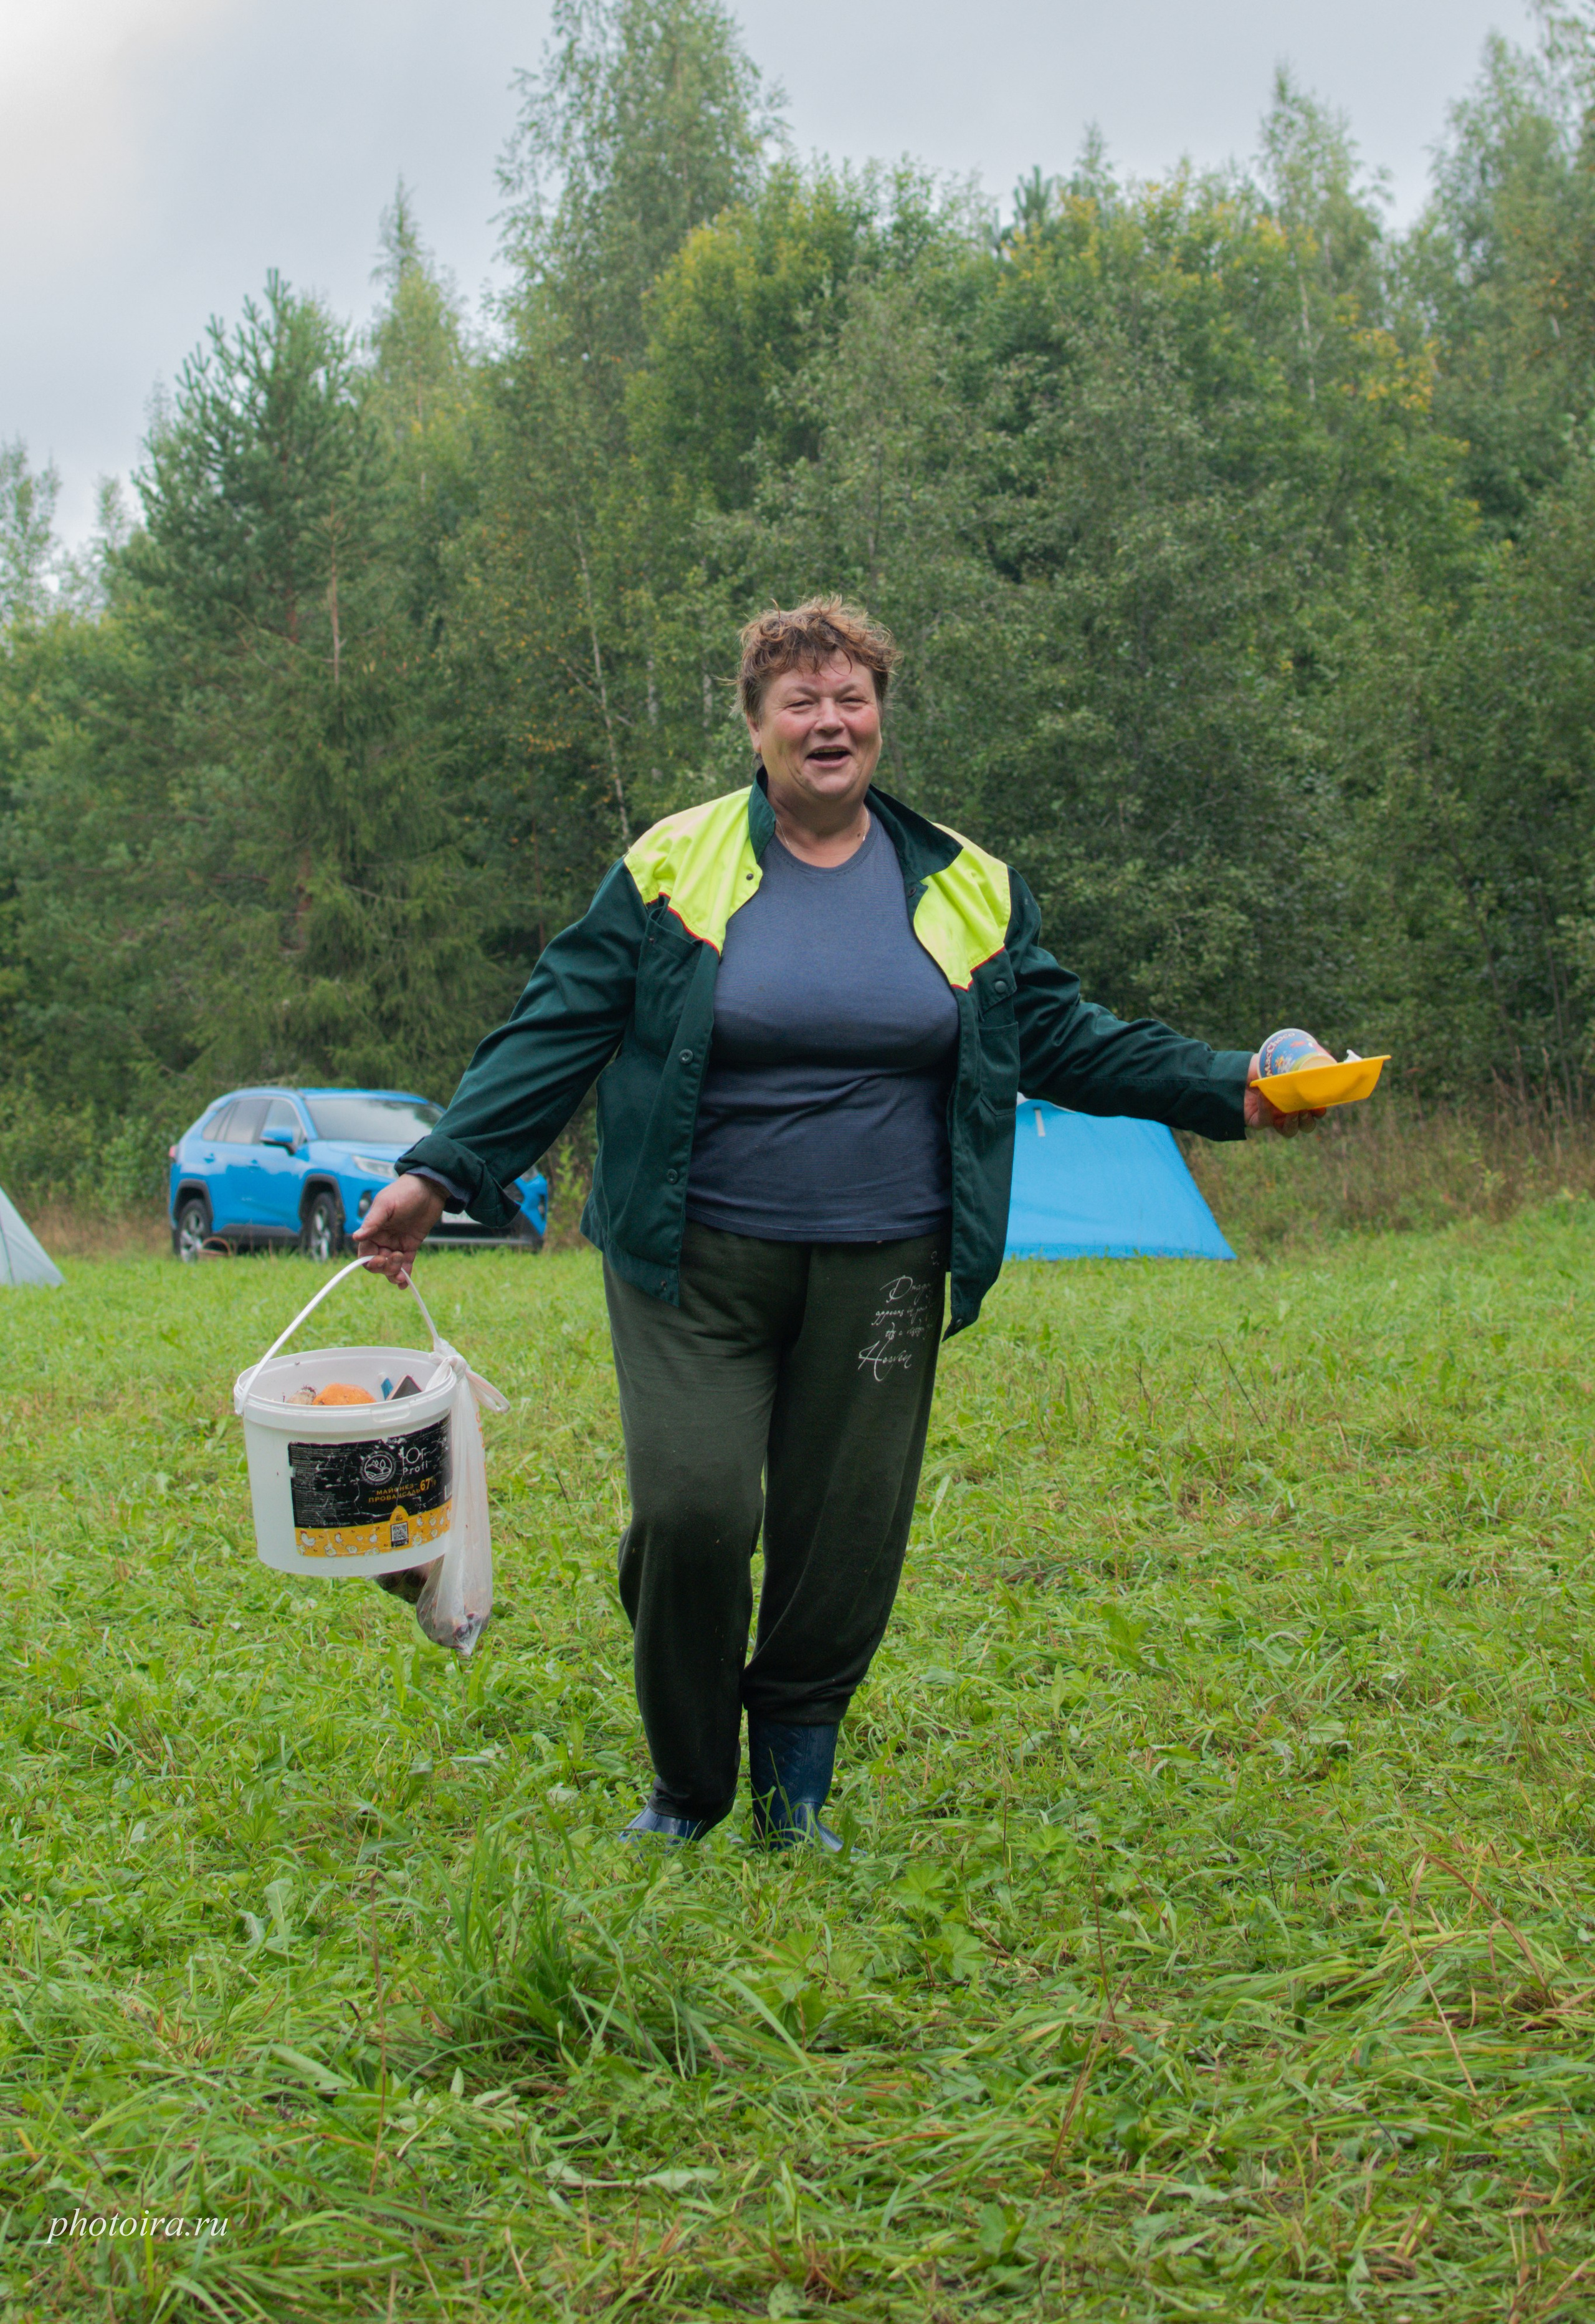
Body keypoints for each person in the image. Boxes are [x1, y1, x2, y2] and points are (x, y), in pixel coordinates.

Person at [354, 598, 1320, 1849]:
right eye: (800, 700)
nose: (830, 720)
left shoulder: (966, 885)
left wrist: (1229, 1088)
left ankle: (793, 1795)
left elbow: (1065, 1035)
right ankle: (689, 1786)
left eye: (852, 698)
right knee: (693, 1510)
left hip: (888, 1264)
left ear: (880, 721)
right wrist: (439, 1170)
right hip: (692, 1263)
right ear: (755, 726)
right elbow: (556, 1026)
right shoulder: (673, 867)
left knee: (844, 1532)